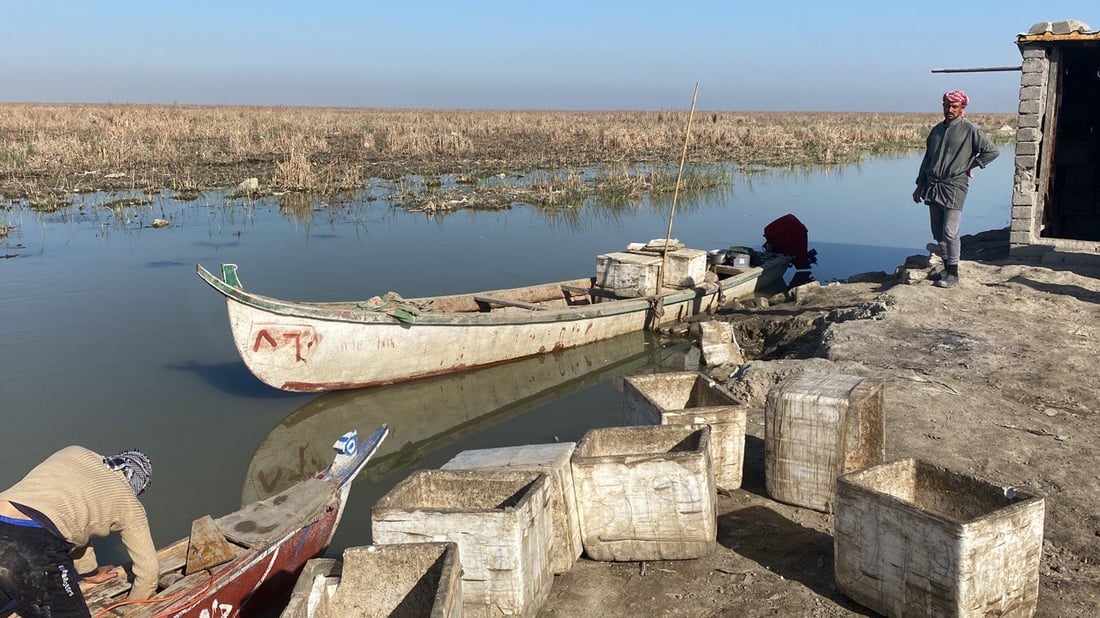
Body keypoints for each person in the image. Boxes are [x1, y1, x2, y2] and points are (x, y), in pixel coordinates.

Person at [0, 447, 158, 617]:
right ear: (138, 487)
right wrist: (132, 610)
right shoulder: (130, 504)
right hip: (30, 541)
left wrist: (90, 573)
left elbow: (77, 525)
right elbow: (149, 572)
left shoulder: (74, 452)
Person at [912, 90, 999, 288]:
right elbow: (927, 160)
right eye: (947, 105)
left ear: (962, 109)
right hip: (933, 185)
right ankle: (945, 266)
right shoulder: (936, 131)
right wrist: (919, 185)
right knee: (938, 232)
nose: (950, 110)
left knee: (951, 231)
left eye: (954, 106)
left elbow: (992, 151)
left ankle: (953, 272)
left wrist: (972, 165)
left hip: (954, 185)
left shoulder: (970, 130)